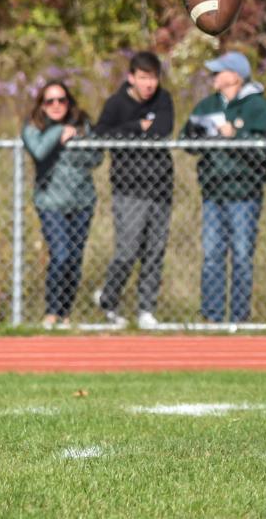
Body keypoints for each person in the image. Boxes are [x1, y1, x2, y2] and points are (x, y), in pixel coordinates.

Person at [182, 51, 266, 323]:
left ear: (235, 76)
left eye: (218, 72)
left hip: (244, 194)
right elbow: (186, 140)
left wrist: (236, 136)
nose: (213, 76)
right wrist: (196, 132)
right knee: (211, 256)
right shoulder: (208, 104)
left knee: (242, 256)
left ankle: (239, 318)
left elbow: (265, 147)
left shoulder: (257, 106)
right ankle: (212, 316)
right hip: (213, 192)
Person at [94, 51, 174, 329]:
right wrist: (137, 127)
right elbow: (101, 134)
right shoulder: (116, 104)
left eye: (153, 78)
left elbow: (163, 129)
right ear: (131, 78)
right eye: (143, 78)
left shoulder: (164, 99)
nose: (149, 84)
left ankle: (146, 309)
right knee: (127, 250)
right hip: (128, 189)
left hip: (160, 188)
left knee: (154, 251)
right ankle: (109, 298)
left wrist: (136, 133)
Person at [21, 81, 103, 329]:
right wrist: (59, 133)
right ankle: (52, 312)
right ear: (42, 105)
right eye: (50, 101)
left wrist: (78, 138)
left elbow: (96, 157)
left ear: (69, 102)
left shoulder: (82, 124)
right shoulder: (33, 128)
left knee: (75, 259)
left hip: (82, 201)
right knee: (60, 255)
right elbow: (39, 151)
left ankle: (66, 314)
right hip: (50, 202)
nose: (56, 105)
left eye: (61, 100)